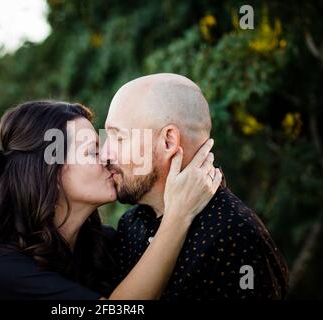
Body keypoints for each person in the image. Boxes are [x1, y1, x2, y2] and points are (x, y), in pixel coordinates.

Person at [0, 100, 221, 299]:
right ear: (49, 171)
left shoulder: (107, 247)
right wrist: (179, 215)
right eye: (92, 151)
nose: (108, 157)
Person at [102, 73, 289, 300]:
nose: (105, 154)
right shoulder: (132, 224)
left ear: (168, 141)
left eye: (119, 138)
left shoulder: (235, 235)